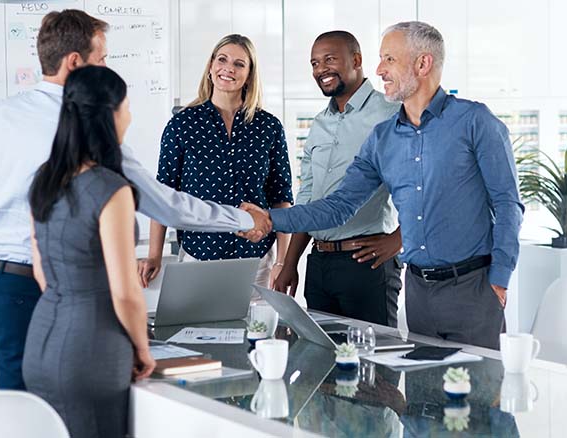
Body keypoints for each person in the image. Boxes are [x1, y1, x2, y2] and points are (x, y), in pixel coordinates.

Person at [0, 9, 270, 390]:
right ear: (75, 63)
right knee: (31, 413)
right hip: (31, 291)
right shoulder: (88, 128)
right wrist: (245, 220)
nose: (105, 67)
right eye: (101, 59)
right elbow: (167, 204)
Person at [243, 21, 523, 350]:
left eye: (389, 59)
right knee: (423, 397)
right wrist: (270, 218)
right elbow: (339, 207)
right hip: (419, 291)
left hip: (473, 288)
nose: (379, 69)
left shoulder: (475, 122)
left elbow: (507, 204)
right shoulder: (382, 138)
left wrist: (500, 279)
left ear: (423, 63)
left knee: (477, 395)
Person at [22, 65, 149, 438]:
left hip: (41, 341)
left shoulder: (44, 179)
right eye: (126, 106)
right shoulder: (111, 189)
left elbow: (42, 273)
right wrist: (142, 348)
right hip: (92, 350)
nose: (130, 115)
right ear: (110, 115)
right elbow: (125, 292)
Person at [139, 34, 292, 289]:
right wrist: (154, 254)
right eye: (222, 59)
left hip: (256, 262)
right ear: (211, 67)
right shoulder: (182, 124)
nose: (228, 68)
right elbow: (164, 193)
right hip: (199, 256)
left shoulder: (269, 127)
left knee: (255, 329)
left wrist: (283, 262)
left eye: (239, 64)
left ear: (250, 74)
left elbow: (281, 196)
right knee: (197, 329)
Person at [272, 31, 402, 327]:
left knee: (375, 363)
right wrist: (290, 263)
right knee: (323, 361)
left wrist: (398, 240)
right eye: (315, 63)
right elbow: (308, 199)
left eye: (329, 59)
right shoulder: (319, 123)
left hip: (366, 263)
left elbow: (423, 184)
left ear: (356, 60)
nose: (321, 70)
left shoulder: (391, 114)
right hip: (319, 264)